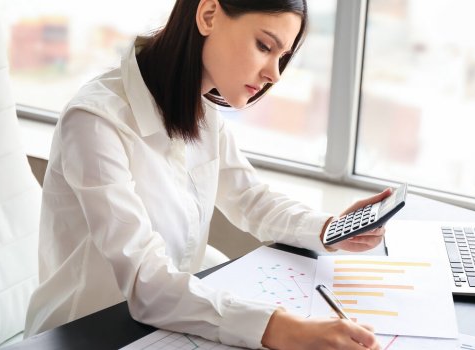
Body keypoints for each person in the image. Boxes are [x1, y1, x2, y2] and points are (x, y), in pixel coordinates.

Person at [24, 0, 390, 348]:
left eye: (283, 57)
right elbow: (146, 282)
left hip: (163, 325)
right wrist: (282, 329)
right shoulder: (96, 121)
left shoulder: (201, 113)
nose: (274, 75)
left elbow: (251, 200)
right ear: (209, 14)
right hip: (86, 333)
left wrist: (330, 229)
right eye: (265, 45)